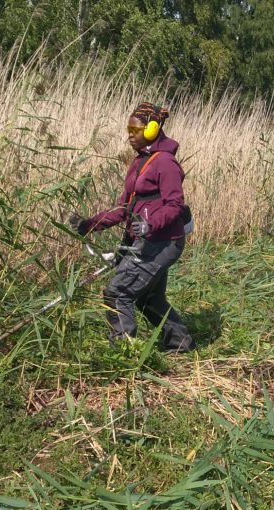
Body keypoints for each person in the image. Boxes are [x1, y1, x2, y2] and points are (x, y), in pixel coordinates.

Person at [70, 102, 195, 354]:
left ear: (151, 130)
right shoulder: (140, 162)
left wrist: (150, 225)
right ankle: (180, 343)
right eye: (128, 129)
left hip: (164, 242)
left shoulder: (166, 163)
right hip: (146, 242)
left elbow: (174, 205)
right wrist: (89, 225)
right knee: (150, 299)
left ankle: (124, 352)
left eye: (135, 130)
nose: (129, 134)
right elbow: (124, 208)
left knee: (117, 293)